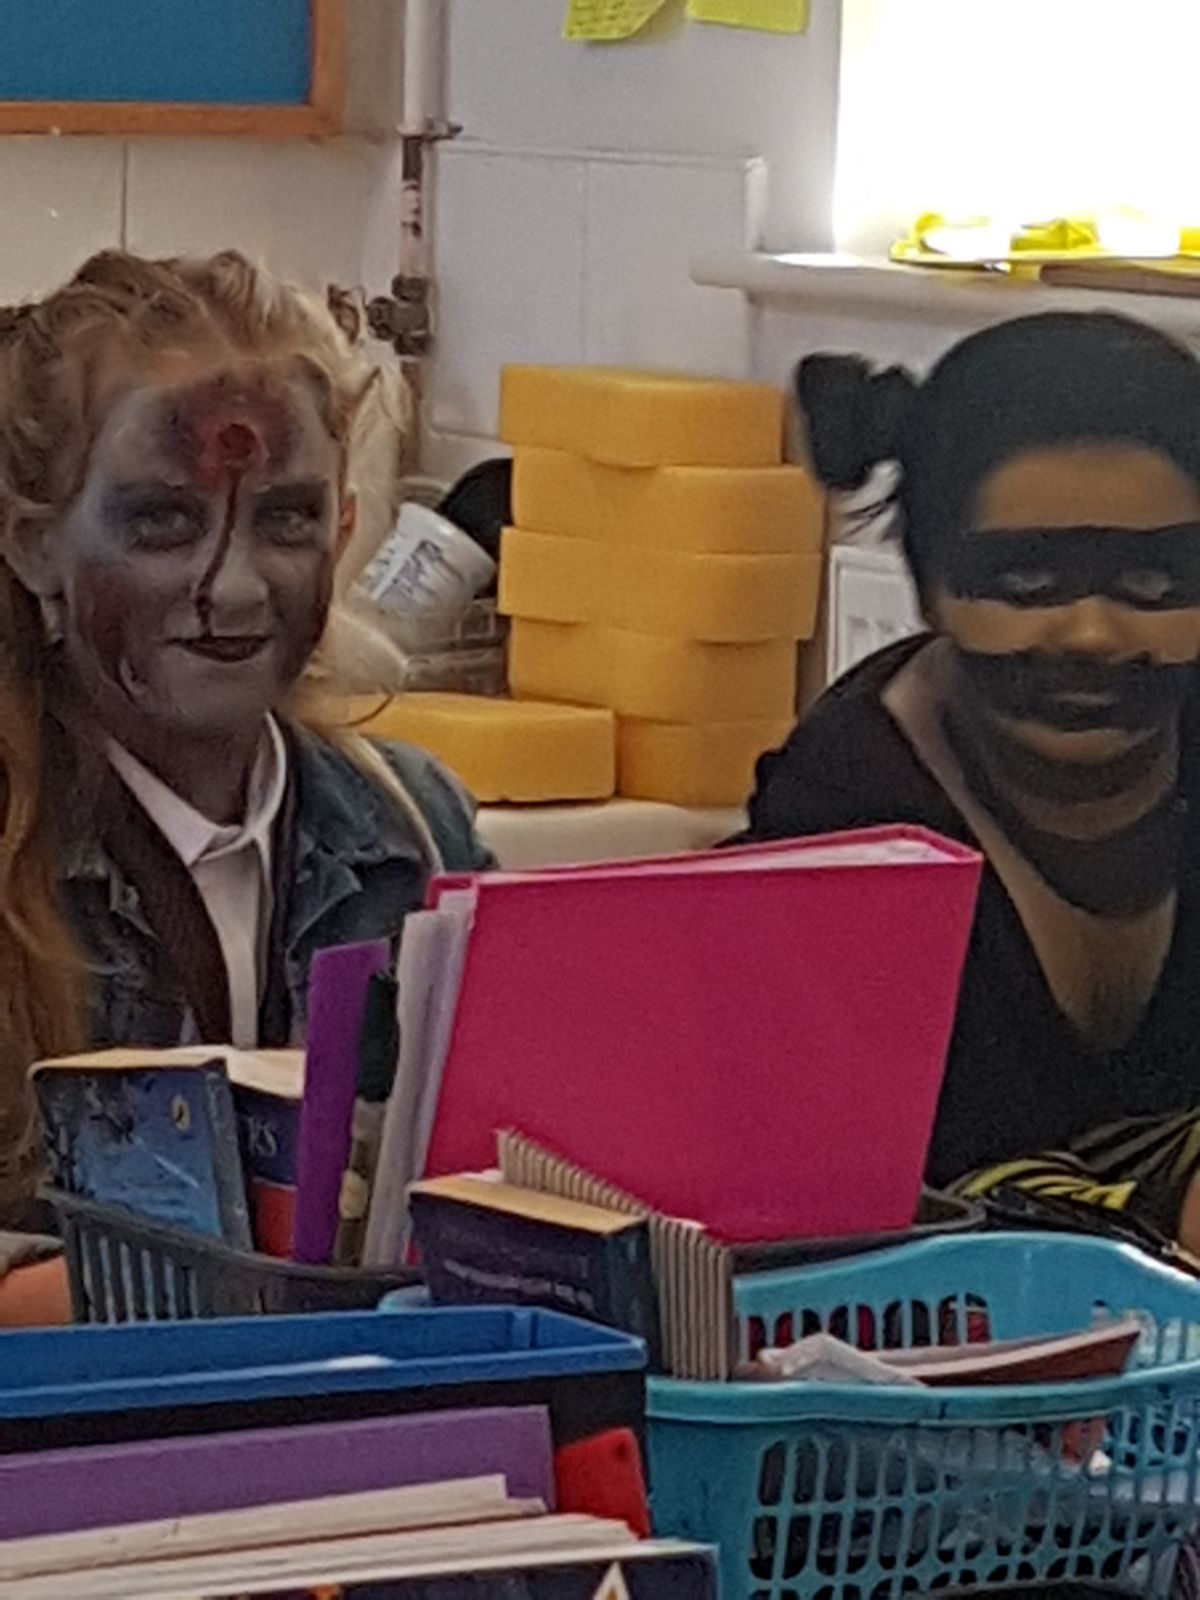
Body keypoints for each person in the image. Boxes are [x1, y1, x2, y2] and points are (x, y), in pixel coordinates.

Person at [0, 248, 492, 1260]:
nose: (231, 586)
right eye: (162, 521)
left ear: (344, 530)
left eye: (287, 519)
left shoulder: (414, 835)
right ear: (33, 544)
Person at [743, 311, 1200, 1248]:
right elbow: (851, 1197)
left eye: (1154, 581)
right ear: (929, 586)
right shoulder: (842, 819)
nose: (1092, 633)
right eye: (1026, 581)